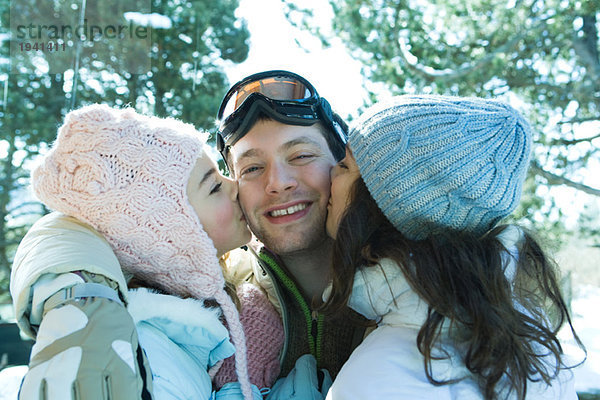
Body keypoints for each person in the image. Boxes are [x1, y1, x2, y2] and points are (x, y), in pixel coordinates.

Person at [10, 70, 362, 399]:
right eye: (252, 168)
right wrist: (83, 300)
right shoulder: (216, 311)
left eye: (301, 155)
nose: (278, 182)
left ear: (344, 162)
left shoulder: (407, 280)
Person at [12, 104, 284, 400]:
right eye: (214, 187)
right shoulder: (147, 352)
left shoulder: (226, 304)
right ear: (169, 231)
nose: (236, 187)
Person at [321, 95, 584, 399]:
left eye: (345, 165)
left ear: (383, 211)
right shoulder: (533, 353)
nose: (330, 172)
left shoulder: (377, 379)